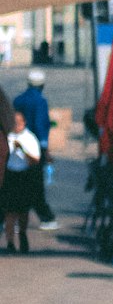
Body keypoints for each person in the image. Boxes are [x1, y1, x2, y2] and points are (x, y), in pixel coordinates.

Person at [13, 69, 58, 229]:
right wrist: (45, 149)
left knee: (18, 183)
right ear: (42, 85)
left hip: (18, 147)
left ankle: (16, 219)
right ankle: (46, 218)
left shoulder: (18, 100)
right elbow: (40, 126)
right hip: (35, 149)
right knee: (35, 185)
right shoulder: (40, 101)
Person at [2, 110, 41, 253]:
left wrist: (22, 150)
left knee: (23, 211)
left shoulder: (30, 138)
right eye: (14, 122)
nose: (16, 125)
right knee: (9, 212)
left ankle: (23, 236)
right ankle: (10, 241)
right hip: (10, 176)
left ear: (24, 123)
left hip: (24, 176)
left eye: (19, 122)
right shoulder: (8, 137)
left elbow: (35, 160)